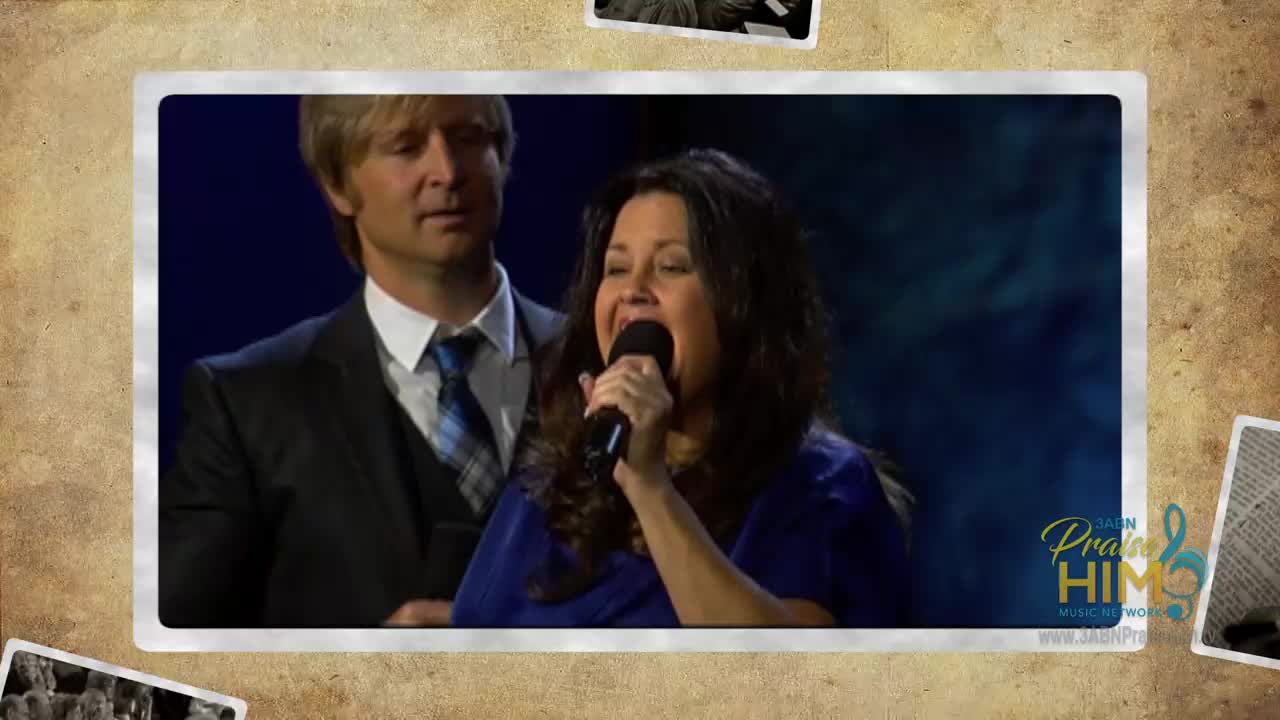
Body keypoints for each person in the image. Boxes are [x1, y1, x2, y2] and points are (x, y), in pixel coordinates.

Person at [451, 149, 912, 627]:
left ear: (745, 300)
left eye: (671, 267)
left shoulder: (821, 487)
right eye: (616, 268)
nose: (634, 289)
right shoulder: (548, 484)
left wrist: (649, 487)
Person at [159, 95, 562, 628]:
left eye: (467, 138)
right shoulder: (247, 403)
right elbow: (168, 658)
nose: (446, 172)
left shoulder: (602, 363)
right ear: (337, 185)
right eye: (406, 147)